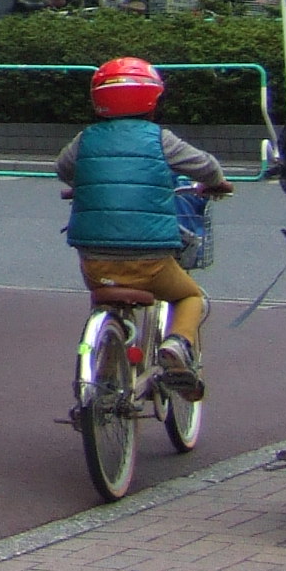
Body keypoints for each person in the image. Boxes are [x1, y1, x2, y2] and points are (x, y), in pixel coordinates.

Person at [57, 56, 231, 399]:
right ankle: (177, 345)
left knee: (106, 297)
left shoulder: (84, 140)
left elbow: (63, 169)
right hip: (150, 259)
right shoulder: (159, 140)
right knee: (191, 296)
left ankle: (107, 374)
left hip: (94, 260)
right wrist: (216, 183)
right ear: (153, 99)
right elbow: (206, 167)